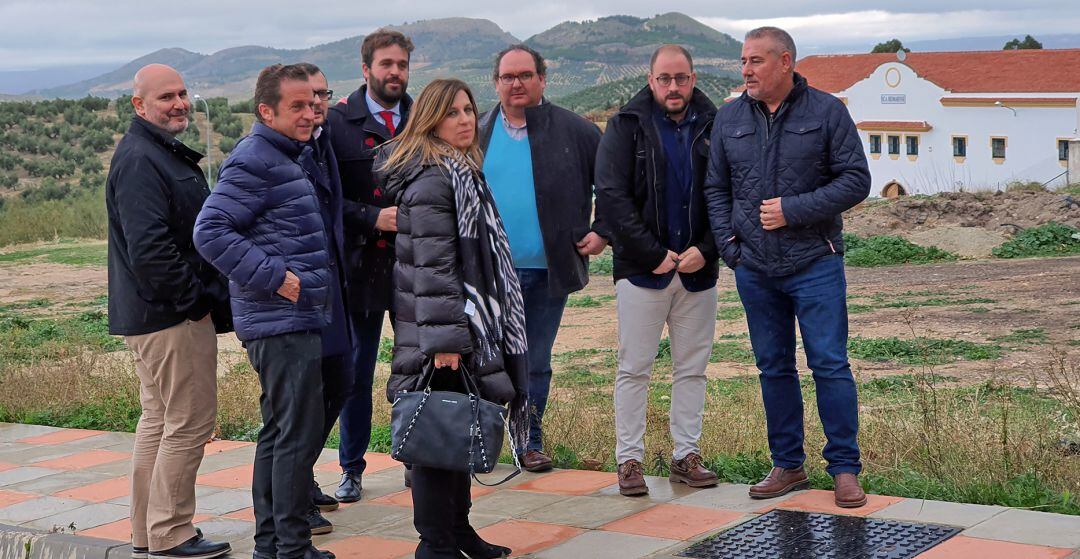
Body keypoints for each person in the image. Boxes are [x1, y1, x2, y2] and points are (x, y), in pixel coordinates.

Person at [703, 27, 871, 508]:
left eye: (756, 61)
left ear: (785, 62)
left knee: (829, 365)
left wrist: (793, 209)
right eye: (742, 61)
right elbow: (716, 188)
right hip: (754, 267)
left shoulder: (827, 112)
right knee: (773, 367)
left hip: (814, 261)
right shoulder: (730, 116)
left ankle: (844, 469)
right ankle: (788, 465)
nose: (746, 70)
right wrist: (730, 246)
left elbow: (857, 180)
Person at [378, 78, 524, 559]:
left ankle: (458, 532)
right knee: (435, 437)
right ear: (430, 121)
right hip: (441, 335)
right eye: (452, 113)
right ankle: (434, 544)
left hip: (462, 329)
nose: (464, 120)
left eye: (468, 110)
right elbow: (434, 267)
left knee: (455, 431)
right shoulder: (433, 181)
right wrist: (444, 341)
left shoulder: (459, 173)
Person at [194, 63, 335, 559]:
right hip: (281, 320)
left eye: (312, 102)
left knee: (280, 432)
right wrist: (277, 277)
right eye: (296, 105)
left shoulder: (284, 155)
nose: (309, 111)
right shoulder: (256, 158)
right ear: (266, 111)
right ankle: (291, 548)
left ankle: (274, 545)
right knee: (294, 435)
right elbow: (209, 231)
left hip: (286, 321)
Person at [106, 63, 233, 559]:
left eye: (182, 93)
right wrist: (196, 303)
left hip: (153, 315)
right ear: (139, 106)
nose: (178, 103)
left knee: (158, 421)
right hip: (169, 318)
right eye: (165, 97)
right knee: (190, 422)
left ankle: (147, 531)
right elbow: (151, 250)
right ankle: (171, 533)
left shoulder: (149, 152)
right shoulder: (141, 159)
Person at [595, 45, 721, 497]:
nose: (673, 87)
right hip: (641, 270)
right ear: (650, 80)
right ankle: (629, 460)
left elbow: (725, 193)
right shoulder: (625, 126)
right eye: (665, 78)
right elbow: (612, 197)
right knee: (634, 368)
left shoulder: (714, 124)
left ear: (693, 78)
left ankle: (686, 455)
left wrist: (705, 250)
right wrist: (653, 254)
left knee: (692, 368)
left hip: (697, 271)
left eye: (681, 78)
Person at [478, 44, 607, 472]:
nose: (517, 83)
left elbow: (616, 185)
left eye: (526, 75)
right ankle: (484, 442)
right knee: (484, 356)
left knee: (534, 358)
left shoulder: (577, 131)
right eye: (508, 76)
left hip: (547, 270)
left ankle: (528, 441)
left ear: (542, 80)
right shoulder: (476, 131)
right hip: (485, 271)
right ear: (496, 82)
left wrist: (602, 229)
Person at [326, 28, 415, 500]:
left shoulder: (425, 119)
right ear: (366, 69)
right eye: (386, 64)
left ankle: (416, 459)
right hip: (360, 270)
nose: (394, 72)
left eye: (401, 64)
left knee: (417, 368)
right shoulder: (338, 123)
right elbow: (325, 199)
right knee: (356, 373)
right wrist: (371, 217)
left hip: (418, 270)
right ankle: (351, 468)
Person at [295, 62, 352, 534]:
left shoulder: (324, 140)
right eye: (308, 97)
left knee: (339, 380)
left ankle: (304, 471)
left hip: (333, 286)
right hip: (294, 297)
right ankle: (292, 499)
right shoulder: (275, 153)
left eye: (322, 94)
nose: (317, 104)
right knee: (300, 397)